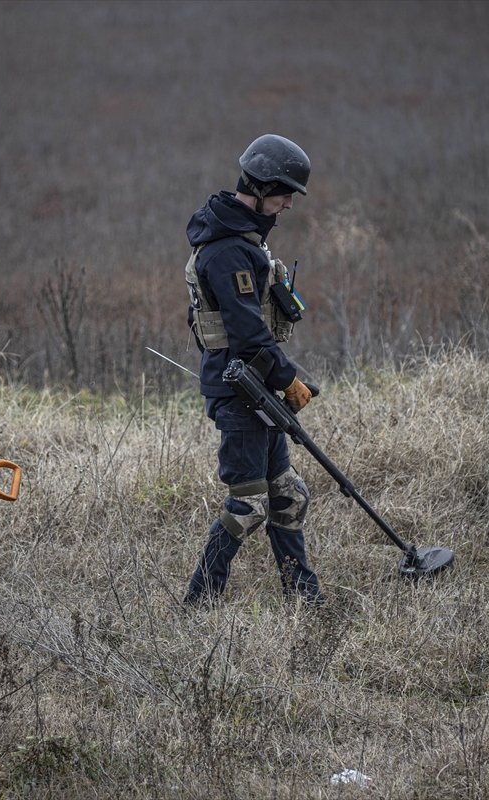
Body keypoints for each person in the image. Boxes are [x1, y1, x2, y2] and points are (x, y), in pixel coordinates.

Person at [182, 134, 323, 606]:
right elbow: (248, 336)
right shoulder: (227, 252)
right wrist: (291, 380)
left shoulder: (247, 242)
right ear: (261, 189)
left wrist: (280, 381)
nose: (287, 205)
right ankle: (199, 604)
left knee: (288, 495)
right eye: (284, 194)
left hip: (257, 390)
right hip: (239, 392)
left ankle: (305, 601)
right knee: (249, 506)